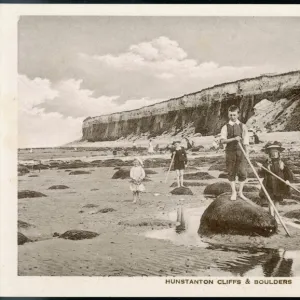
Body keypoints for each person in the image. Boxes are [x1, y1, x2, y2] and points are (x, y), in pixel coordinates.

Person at [220, 105, 250, 201]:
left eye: (234, 115)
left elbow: (246, 142)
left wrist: (247, 154)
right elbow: (223, 141)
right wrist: (234, 139)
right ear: (228, 114)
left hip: (241, 152)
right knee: (231, 172)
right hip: (230, 152)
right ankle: (233, 192)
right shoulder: (225, 127)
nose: (232, 117)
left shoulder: (243, 126)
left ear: (238, 114)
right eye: (230, 115)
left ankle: (240, 192)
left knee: (242, 172)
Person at [258, 141, 294, 217]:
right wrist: (260, 168)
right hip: (269, 183)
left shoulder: (281, 163)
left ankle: (276, 216)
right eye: (272, 152)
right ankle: (271, 216)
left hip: (279, 183)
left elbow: (287, 172)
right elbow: (261, 174)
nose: (274, 154)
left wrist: (288, 180)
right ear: (269, 153)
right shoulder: (267, 163)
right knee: (270, 200)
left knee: (277, 200)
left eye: (276, 152)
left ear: (278, 153)